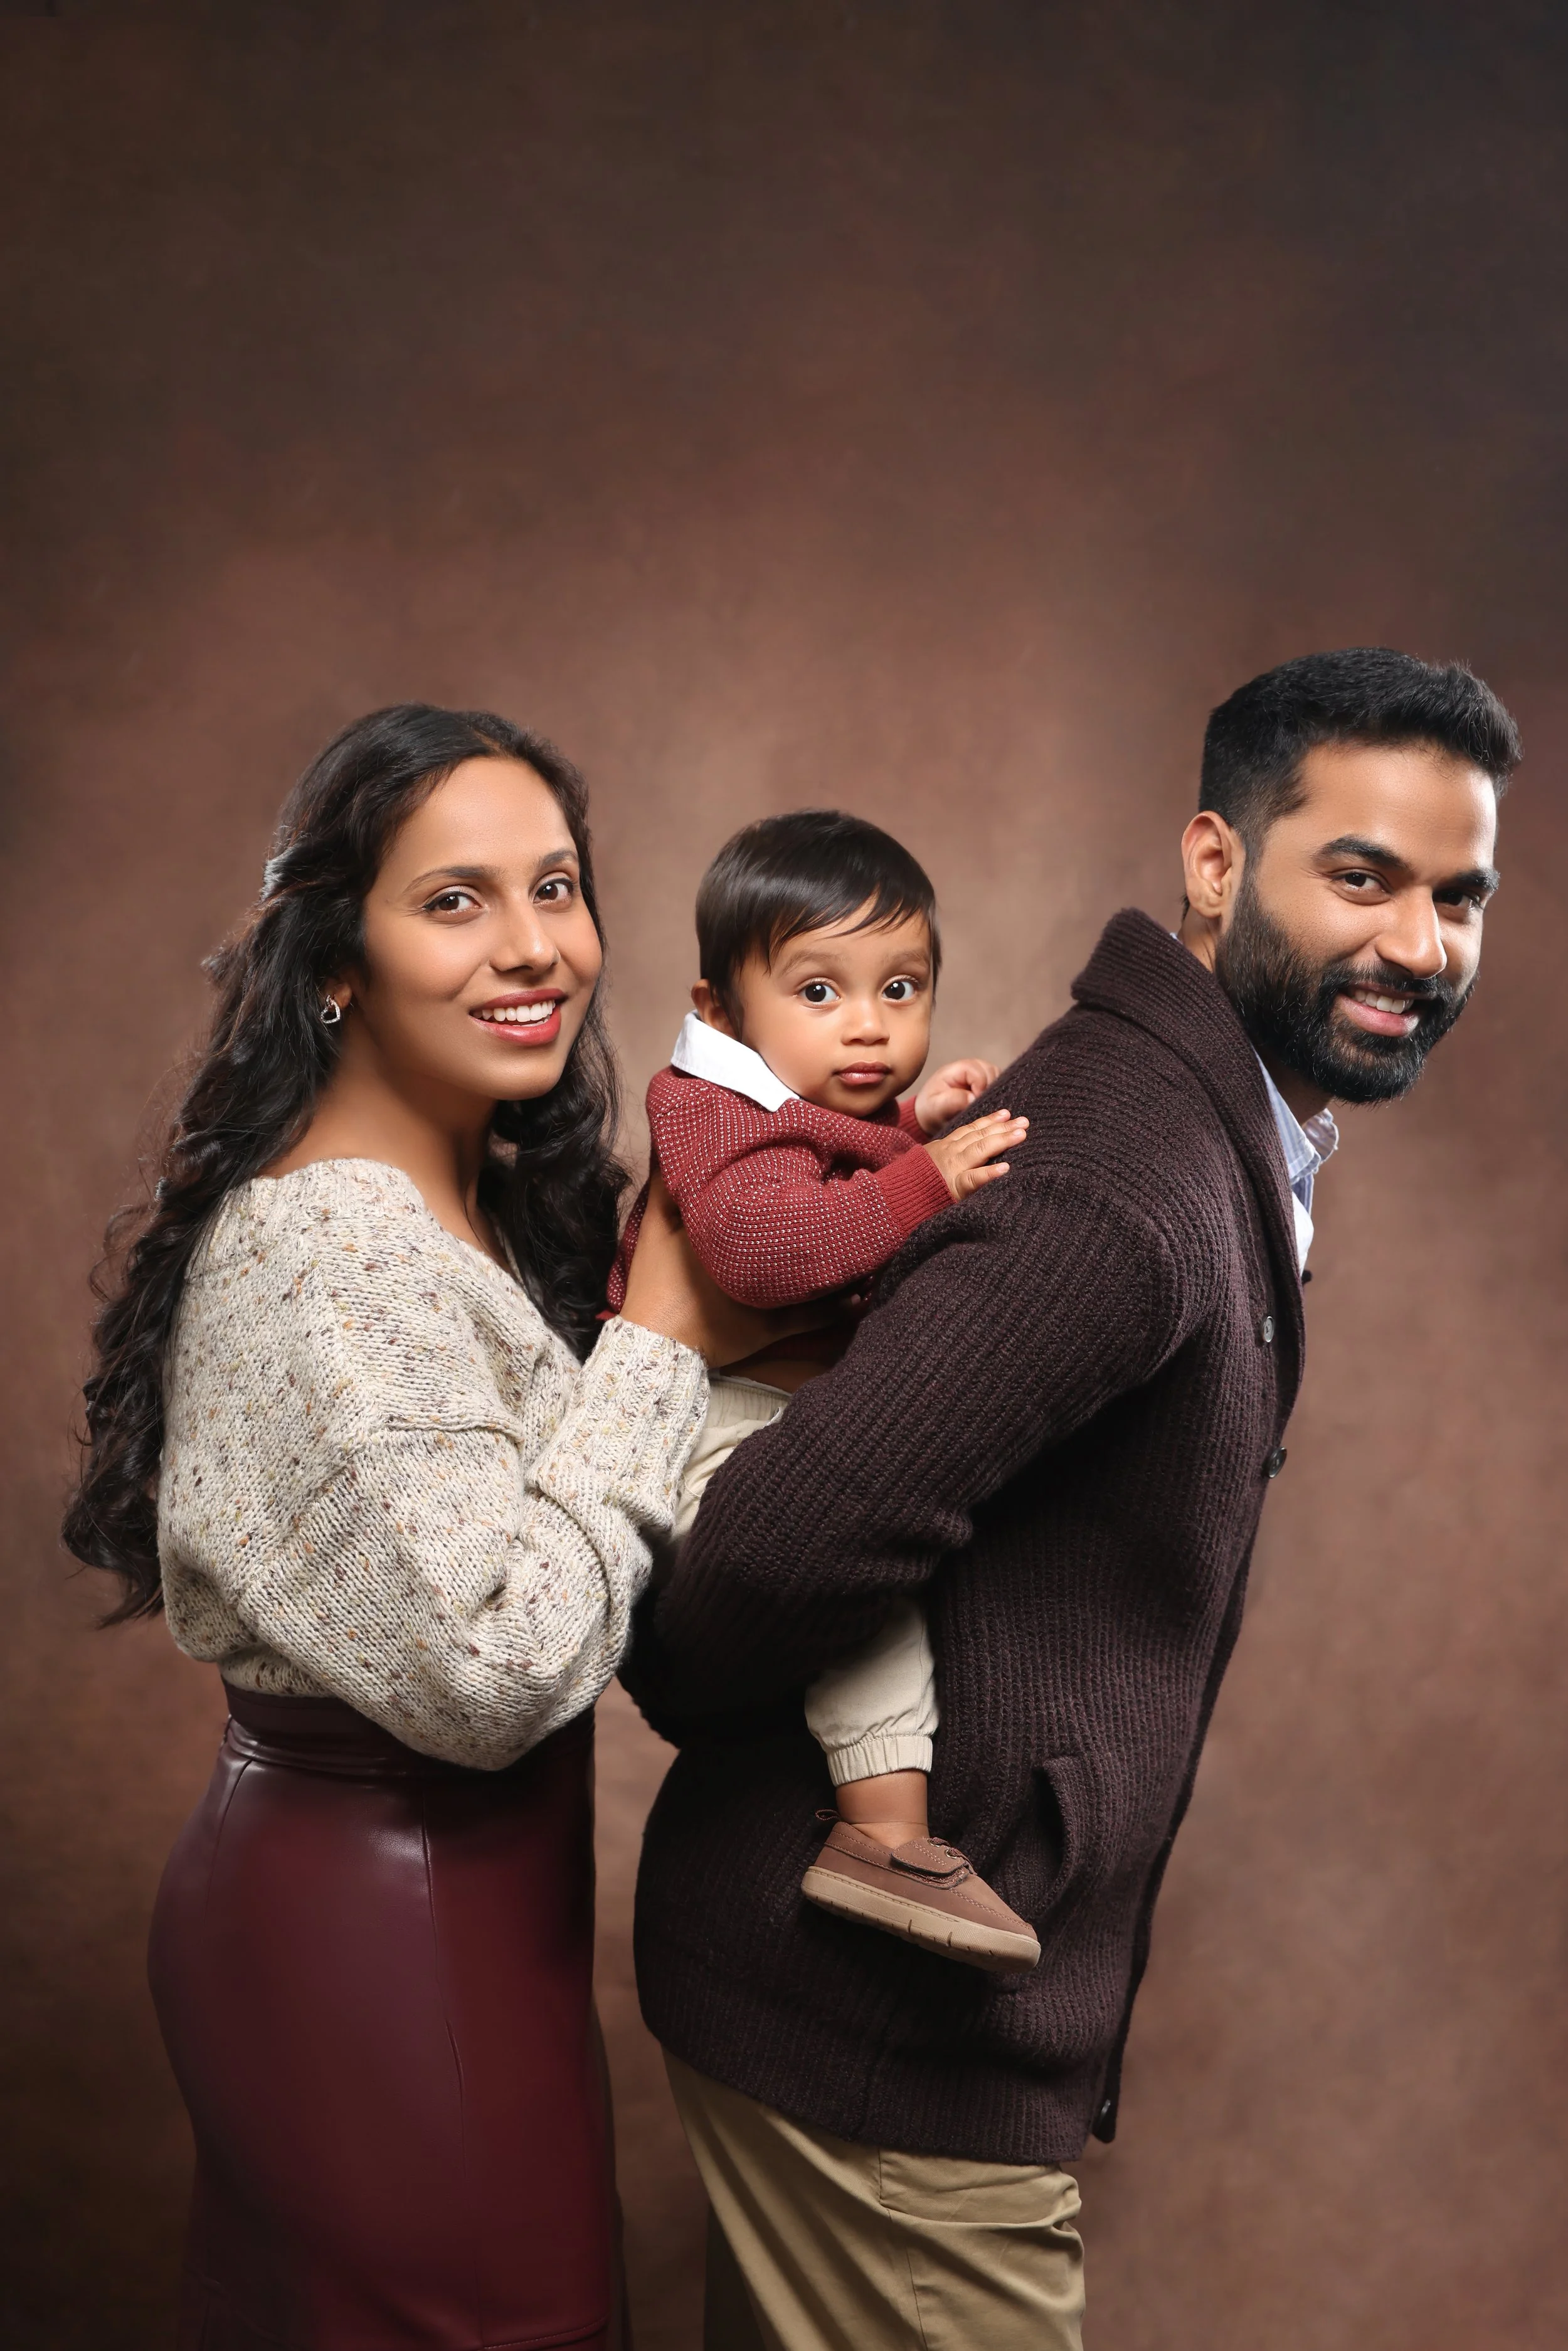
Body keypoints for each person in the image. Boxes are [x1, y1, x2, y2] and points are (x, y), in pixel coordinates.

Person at [624, 648, 1518, 2351]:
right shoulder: (1123, 1181)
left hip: (912, 2044)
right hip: (878, 2046)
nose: (1416, 942)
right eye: (1360, 875)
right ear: (1211, 861)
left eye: (1457, 894)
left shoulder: (1204, 1131)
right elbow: (757, 1561)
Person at [61, 704, 781, 2351]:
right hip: (387, 1921)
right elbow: (491, 1661)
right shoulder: (333, 1243)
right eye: (453, 899)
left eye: (554, 886)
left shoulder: (459, 1206)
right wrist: (661, 1345)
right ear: (337, 961)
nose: (531, 945)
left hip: (425, 1906)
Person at [608, 809, 1039, 1971]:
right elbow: (768, 1251)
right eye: (819, 992)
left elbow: (838, 1161)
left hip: (778, 1410)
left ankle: (884, 1804)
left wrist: (917, 1129)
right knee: (855, 1581)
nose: (868, 1025)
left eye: (901, 989)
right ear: (717, 1012)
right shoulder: (704, 1106)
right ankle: (882, 1836)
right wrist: (929, 1181)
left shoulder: (810, 1107)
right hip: (706, 1423)